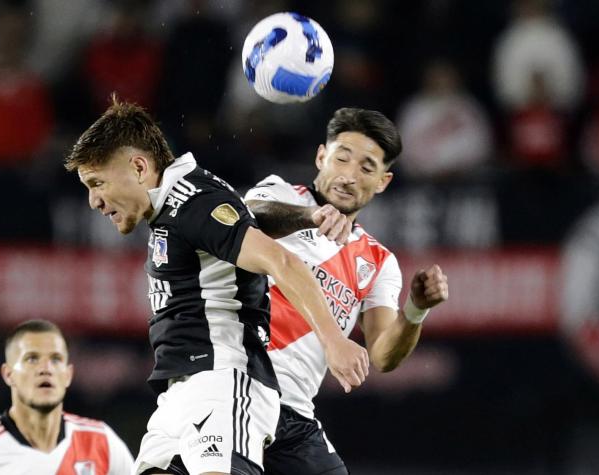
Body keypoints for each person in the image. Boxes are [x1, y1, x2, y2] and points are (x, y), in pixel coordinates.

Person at [64, 97, 368, 475]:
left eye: (97, 183)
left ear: (139, 167)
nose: (93, 200)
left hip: (223, 382)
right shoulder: (173, 208)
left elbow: (282, 261)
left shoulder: (195, 203)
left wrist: (334, 340)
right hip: (180, 396)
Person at [243, 107, 450, 474]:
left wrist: (416, 309)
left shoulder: (379, 262)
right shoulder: (280, 194)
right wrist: (311, 217)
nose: (350, 175)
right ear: (322, 157)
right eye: (342, 158)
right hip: (238, 387)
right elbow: (249, 215)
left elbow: (384, 356)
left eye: (367, 168)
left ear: (383, 182)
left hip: (294, 415)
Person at [0, 319, 135, 474]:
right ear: (8, 374)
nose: (45, 369)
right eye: (32, 359)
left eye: (55, 359)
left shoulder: (103, 443)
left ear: (68, 375)